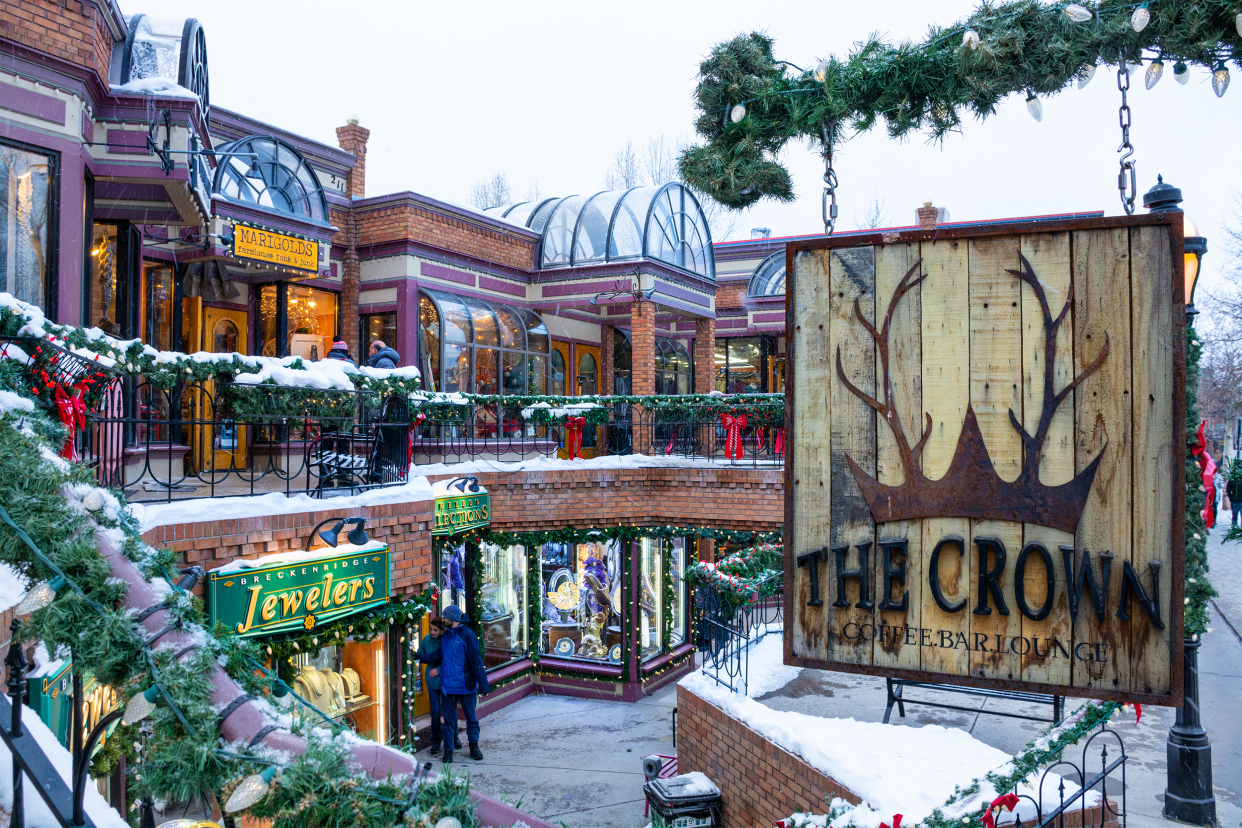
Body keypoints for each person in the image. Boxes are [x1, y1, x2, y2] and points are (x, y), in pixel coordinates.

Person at [435, 604, 489, 763]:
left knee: (471, 718)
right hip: (448, 687)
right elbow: (440, 656)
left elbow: (476, 661)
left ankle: (474, 746)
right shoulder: (445, 636)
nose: (443, 620)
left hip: (466, 685)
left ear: (452, 619)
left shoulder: (467, 635)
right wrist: (422, 656)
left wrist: (483, 685)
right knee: (449, 721)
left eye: (445, 617)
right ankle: (448, 751)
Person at [415, 618, 459, 757]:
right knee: (435, 711)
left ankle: (453, 736)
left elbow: (450, 659)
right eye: (431, 629)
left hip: (445, 680)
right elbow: (420, 655)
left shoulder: (446, 639)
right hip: (431, 682)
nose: (432, 632)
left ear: (442, 629)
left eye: (435, 630)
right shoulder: (427, 639)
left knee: (449, 710)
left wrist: (438, 670)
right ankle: (435, 740)